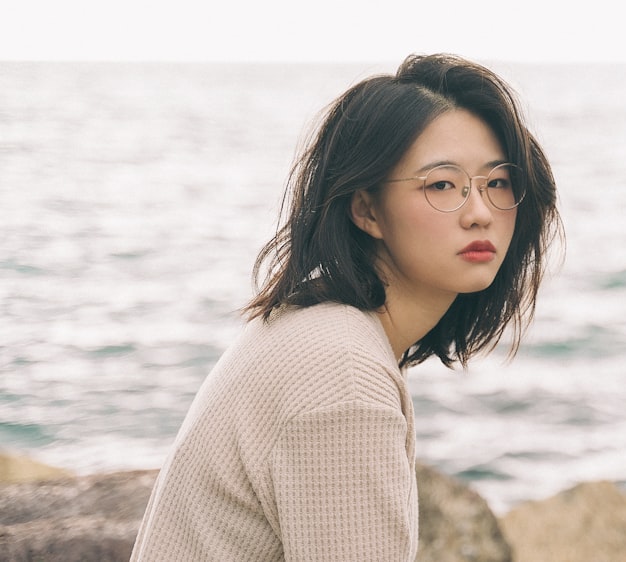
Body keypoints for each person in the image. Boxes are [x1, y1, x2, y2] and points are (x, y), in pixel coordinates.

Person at [130, 53, 561, 561]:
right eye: (442, 184)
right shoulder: (344, 376)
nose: (480, 212)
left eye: (497, 182)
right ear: (366, 209)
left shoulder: (323, 329)